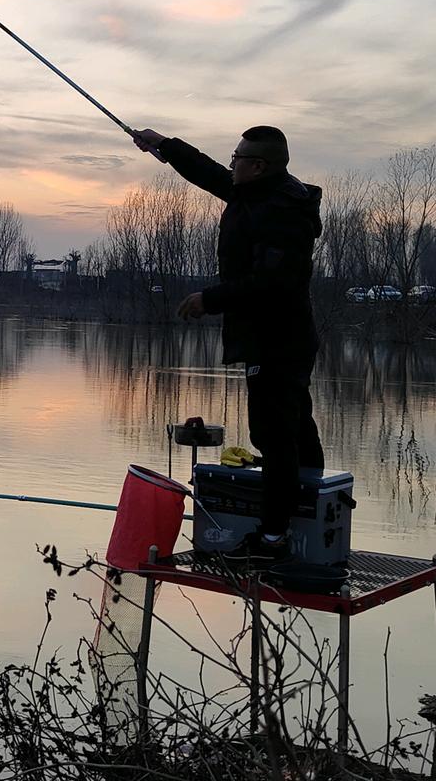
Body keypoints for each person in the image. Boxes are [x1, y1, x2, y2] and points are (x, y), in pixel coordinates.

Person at [131, 124, 324, 565]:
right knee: (295, 429)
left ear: (257, 166)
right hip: (275, 337)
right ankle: (305, 523)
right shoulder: (255, 192)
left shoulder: (282, 210)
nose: (231, 164)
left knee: (275, 435)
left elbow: (272, 282)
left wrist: (209, 299)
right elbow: (209, 174)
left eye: (238, 158)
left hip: (279, 338)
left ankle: (274, 538)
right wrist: (165, 146)